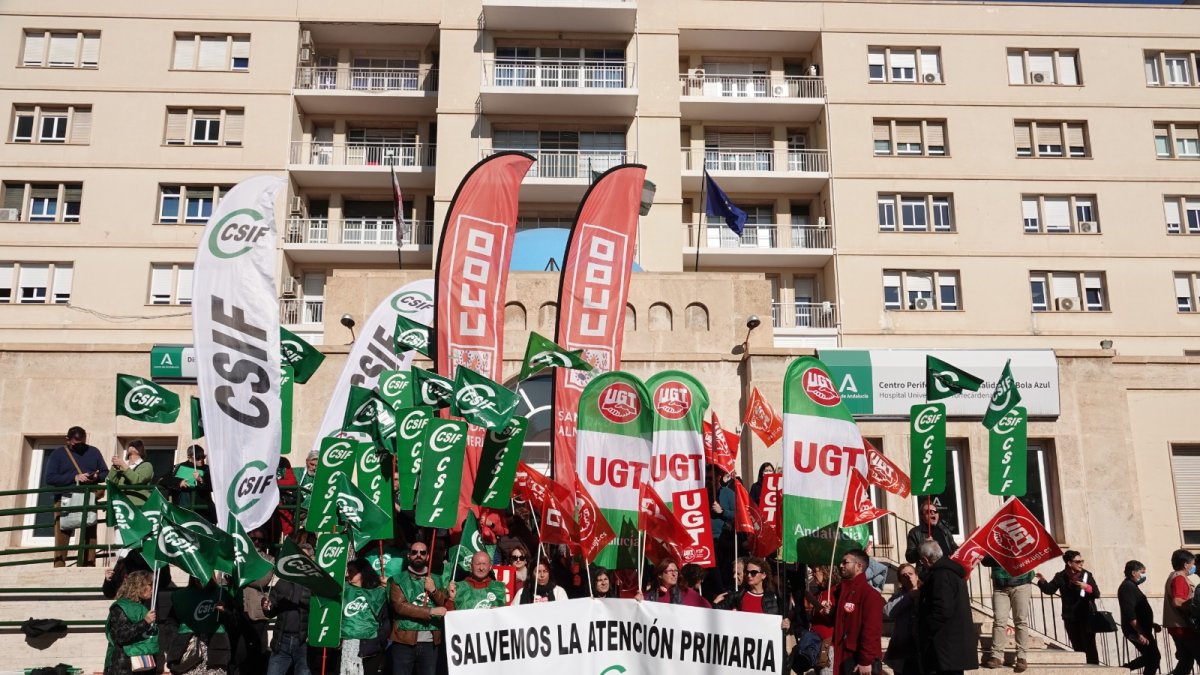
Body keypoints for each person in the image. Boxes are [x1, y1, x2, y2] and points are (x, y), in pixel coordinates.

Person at [44, 426, 107, 567]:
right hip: (65, 498)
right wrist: (75, 477)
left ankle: (88, 565)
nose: (79, 447)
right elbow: (50, 478)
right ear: (67, 440)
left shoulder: (94, 451)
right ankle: (59, 567)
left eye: (82, 443)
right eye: (75, 444)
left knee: (90, 533)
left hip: (88, 497)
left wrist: (96, 476)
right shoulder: (58, 454)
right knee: (62, 534)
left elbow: (105, 472)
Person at [387, 540, 451, 675]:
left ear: (427, 556)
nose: (418, 555)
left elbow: (444, 605)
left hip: (430, 643)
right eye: (414, 552)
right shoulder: (397, 579)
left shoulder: (437, 579)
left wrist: (433, 590)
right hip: (403, 641)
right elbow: (400, 607)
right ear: (408, 556)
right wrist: (431, 611)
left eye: (422, 552)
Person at [917, 540, 978, 675]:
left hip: (944, 646)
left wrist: (925, 627)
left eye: (922, 561)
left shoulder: (940, 574)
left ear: (925, 559)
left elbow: (942, 609)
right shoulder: (952, 571)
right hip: (953, 647)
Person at [1036, 549, 1100, 665]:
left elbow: (1096, 594)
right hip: (1070, 616)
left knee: (1090, 646)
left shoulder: (1086, 575)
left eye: (1082, 561)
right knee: (1077, 646)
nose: (1081, 564)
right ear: (1069, 563)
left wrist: (1086, 587)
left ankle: (1095, 668)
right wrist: (1042, 581)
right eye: (1078, 561)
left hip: (1087, 616)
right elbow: (1050, 590)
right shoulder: (1061, 576)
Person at [826, 548, 882, 675]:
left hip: (858, 661)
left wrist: (865, 661)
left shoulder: (870, 594)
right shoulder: (841, 593)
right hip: (843, 657)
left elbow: (872, 630)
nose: (841, 565)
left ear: (859, 566)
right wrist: (832, 613)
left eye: (845, 562)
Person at [264, 541, 313, 675]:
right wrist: (267, 606)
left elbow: (319, 614)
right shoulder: (283, 582)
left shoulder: (314, 584)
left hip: (303, 643)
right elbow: (271, 610)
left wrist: (311, 634)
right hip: (282, 641)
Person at [982, 555, 1035, 672]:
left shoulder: (1022, 543)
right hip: (1000, 586)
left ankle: (1021, 657)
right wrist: (1003, 556)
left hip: (1021, 583)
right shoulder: (994, 544)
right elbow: (985, 561)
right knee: (999, 621)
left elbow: (1032, 556)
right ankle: (996, 655)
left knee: (1021, 621)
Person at [340, 558, 389, 675]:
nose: (347, 574)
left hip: (370, 645)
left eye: (351, 571)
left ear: (362, 573)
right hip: (345, 643)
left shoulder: (377, 592)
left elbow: (385, 620)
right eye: (347, 571)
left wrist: (379, 640)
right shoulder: (343, 589)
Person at [104, 570, 158, 675]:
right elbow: (120, 636)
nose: (153, 589)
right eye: (150, 585)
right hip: (123, 666)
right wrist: (145, 622)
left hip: (143, 665)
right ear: (139, 586)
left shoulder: (142, 607)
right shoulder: (122, 607)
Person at [713, 557, 788, 630]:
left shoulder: (774, 598)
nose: (749, 575)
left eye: (753, 573)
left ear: (763, 575)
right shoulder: (736, 596)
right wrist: (715, 604)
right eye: (747, 572)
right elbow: (716, 617)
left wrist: (786, 624)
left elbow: (780, 623)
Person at [1159, 548, 1198, 675]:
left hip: (1178, 626)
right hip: (1183, 626)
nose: (1194, 567)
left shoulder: (1174, 576)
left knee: (1186, 660)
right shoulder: (1179, 578)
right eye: (1193, 564)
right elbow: (1177, 601)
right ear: (1186, 564)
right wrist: (1193, 604)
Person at [1118, 559, 1160, 675]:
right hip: (1135, 630)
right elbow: (1129, 612)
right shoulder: (1127, 587)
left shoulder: (1132, 586)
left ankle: (1122, 670)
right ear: (1133, 573)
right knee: (1153, 657)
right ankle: (1121, 670)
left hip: (1142, 629)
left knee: (1152, 658)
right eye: (1142, 572)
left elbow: (1139, 610)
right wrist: (1140, 632)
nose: (1144, 575)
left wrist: (1151, 624)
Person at [883, 563, 920, 675]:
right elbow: (888, 611)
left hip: (921, 649)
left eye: (910, 573)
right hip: (902, 651)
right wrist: (908, 596)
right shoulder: (899, 595)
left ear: (916, 576)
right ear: (900, 580)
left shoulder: (926, 590)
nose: (908, 577)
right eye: (904, 575)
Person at [164, 445, 214, 521]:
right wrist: (179, 482)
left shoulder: (207, 469)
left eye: (203, 457)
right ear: (189, 458)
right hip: (182, 510)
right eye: (198, 458)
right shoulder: (179, 466)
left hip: (203, 511)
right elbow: (164, 480)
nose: (201, 460)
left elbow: (215, 486)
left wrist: (201, 480)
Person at [905, 502, 957, 573]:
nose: (933, 513)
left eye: (935, 511)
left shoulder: (944, 530)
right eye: (929, 512)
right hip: (928, 573)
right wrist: (923, 546)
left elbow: (954, 548)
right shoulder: (915, 532)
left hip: (948, 570)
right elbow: (909, 557)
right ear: (922, 516)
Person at [641, 558, 710, 607]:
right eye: (670, 571)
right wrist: (639, 602)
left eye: (676, 571)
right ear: (660, 575)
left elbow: (707, 608)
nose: (674, 574)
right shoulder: (648, 596)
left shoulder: (687, 593)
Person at [109, 440, 155, 505]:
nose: (132, 446)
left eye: (137, 446)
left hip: (137, 505)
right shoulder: (122, 466)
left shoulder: (146, 465)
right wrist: (114, 467)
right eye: (130, 445)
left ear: (141, 451)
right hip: (121, 503)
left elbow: (137, 480)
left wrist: (122, 464)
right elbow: (111, 482)